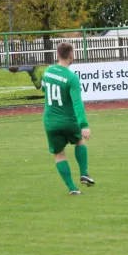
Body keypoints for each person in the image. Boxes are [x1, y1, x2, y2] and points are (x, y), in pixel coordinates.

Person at [42, 42, 94, 195]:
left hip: (50, 121)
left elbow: (44, 88)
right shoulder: (72, 78)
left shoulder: (48, 72)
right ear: (71, 55)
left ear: (57, 55)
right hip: (68, 120)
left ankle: (72, 188)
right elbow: (77, 103)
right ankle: (84, 173)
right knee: (79, 142)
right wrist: (84, 124)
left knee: (59, 154)